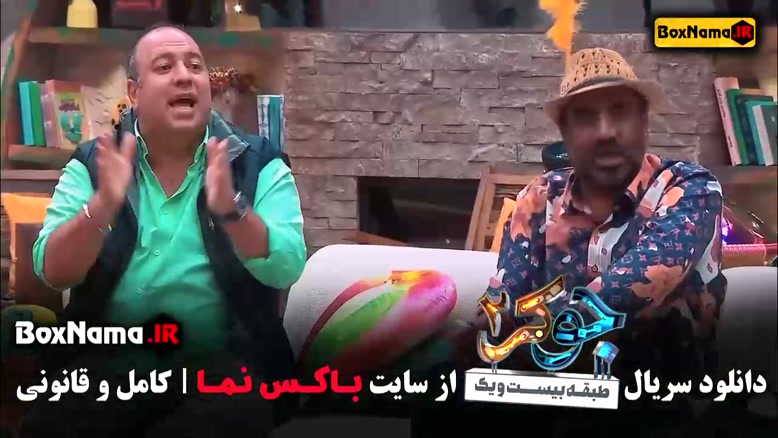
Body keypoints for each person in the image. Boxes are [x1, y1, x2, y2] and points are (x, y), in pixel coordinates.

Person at [19, 25, 306, 436]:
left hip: (222, 366)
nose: (185, 76)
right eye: (165, 67)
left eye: (195, 66)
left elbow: (287, 265)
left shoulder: (259, 162)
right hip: (107, 362)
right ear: (134, 92)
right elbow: (53, 271)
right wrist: (102, 206)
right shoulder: (93, 162)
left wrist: (233, 211)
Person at [468, 48, 727, 432]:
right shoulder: (539, 198)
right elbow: (504, 305)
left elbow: (627, 291)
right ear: (565, 134)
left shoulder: (690, 189)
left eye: (620, 111)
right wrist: (465, 345)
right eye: (586, 117)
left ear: (644, 121)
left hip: (663, 402)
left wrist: (521, 343)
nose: (606, 131)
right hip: (552, 396)